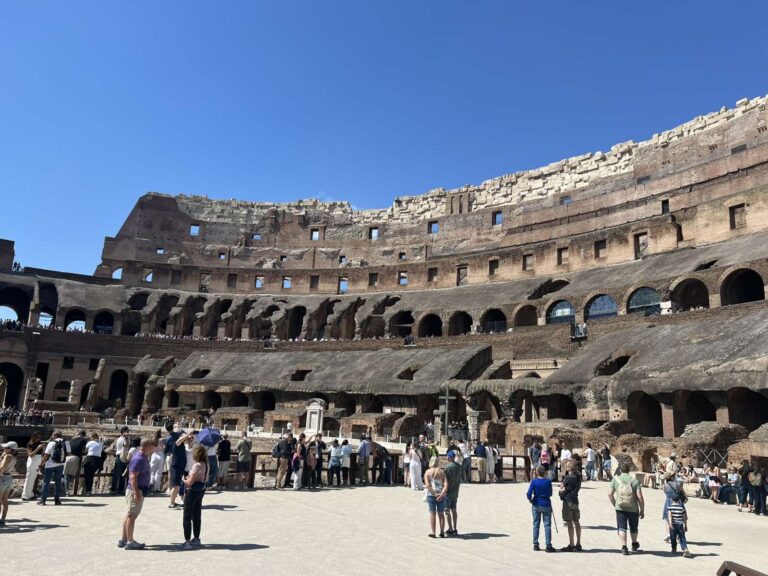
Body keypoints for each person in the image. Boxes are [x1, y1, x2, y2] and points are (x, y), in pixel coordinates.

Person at [119, 437, 154, 550]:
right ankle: (130, 541)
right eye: (153, 446)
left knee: (129, 514)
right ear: (147, 446)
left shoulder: (143, 457)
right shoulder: (139, 458)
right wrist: (136, 493)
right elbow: (133, 476)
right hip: (136, 489)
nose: (155, 448)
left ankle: (124, 539)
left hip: (137, 489)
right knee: (132, 516)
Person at [608, 462, 644, 556]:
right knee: (633, 527)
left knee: (622, 527)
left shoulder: (615, 479)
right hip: (633, 508)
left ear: (620, 470)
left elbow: (610, 494)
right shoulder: (634, 481)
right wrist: (642, 510)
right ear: (629, 470)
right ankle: (634, 543)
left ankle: (624, 547)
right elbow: (640, 497)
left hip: (620, 507)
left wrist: (615, 504)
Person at [181, 444, 208, 549]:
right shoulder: (205, 464)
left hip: (191, 492)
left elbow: (189, 483)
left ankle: (187, 541)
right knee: (197, 515)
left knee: (187, 516)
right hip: (200, 491)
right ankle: (197, 538)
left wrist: (184, 479)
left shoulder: (196, 465)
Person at [528, 466, 555, 552]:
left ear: (536, 472)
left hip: (536, 504)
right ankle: (548, 545)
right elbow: (550, 493)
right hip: (546, 504)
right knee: (547, 525)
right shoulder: (548, 482)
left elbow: (528, 493)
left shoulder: (534, 482)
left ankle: (535, 544)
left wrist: (531, 500)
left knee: (536, 524)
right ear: (545, 473)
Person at [38, 430, 68, 505]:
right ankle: (57, 500)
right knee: (58, 483)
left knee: (46, 482)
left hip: (50, 465)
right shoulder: (66, 442)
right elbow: (69, 452)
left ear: (54, 435)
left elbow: (46, 455)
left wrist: (41, 464)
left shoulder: (51, 443)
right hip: (60, 465)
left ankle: (43, 500)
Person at [559, 460, 582, 551]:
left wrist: (562, 490)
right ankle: (578, 543)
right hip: (575, 500)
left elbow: (562, 487)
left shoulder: (568, 477)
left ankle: (571, 544)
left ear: (568, 468)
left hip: (568, 501)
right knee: (576, 522)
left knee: (569, 523)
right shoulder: (578, 477)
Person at [423, 456, 448, 538]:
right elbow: (446, 484)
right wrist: (442, 493)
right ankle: (442, 532)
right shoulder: (442, 472)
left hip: (431, 495)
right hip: (441, 494)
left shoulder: (427, 472)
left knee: (432, 513)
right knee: (441, 513)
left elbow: (427, 485)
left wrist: (434, 493)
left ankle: (433, 532)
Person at [443, 450, 462, 536]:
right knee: (454, 510)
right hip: (455, 491)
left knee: (447, 510)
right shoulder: (459, 466)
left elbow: (444, 480)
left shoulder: (447, 467)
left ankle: (450, 528)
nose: (446, 457)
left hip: (448, 492)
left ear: (450, 457)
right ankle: (455, 528)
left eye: (447, 456)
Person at [667, 493, 692, 557]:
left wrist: (670, 523)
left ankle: (674, 549)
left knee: (673, 537)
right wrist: (685, 525)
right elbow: (684, 518)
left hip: (673, 524)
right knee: (682, 537)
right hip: (680, 524)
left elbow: (670, 516)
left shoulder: (670, 507)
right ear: (679, 500)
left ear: (672, 500)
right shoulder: (681, 508)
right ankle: (685, 549)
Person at [0, 441, 18, 526]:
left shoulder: (7, 456)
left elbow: (2, 468)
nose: (4, 448)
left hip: (2, 477)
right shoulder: (14, 457)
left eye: (6, 447)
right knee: (5, 501)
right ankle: (3, 519)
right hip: (8, 478)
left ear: (10, 449)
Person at [22, 432, 44, 500]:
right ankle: (25, 495)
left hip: (37, 462)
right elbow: (31, 455)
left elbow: (42, 454)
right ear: (34, 437)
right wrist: (38, 448)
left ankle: (30, 494)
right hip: (32, 461)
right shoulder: (30, 444)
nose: (38, 439)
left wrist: (43, 448)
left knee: (33, 479)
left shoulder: (39, 443)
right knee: (29, 479)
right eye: (37, 437)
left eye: (39, 438)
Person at [111, 426, 131, 494]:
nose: (128, 433)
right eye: (126, 432)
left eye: (128, 432)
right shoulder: (121, 439)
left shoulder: (126, 439)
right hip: (120, 457)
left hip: (124, 457)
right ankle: (114, 489)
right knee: (117, 474)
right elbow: (126, 446)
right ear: (123, 432)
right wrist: (126, 439)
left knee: (123, 474)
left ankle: (121, 489)